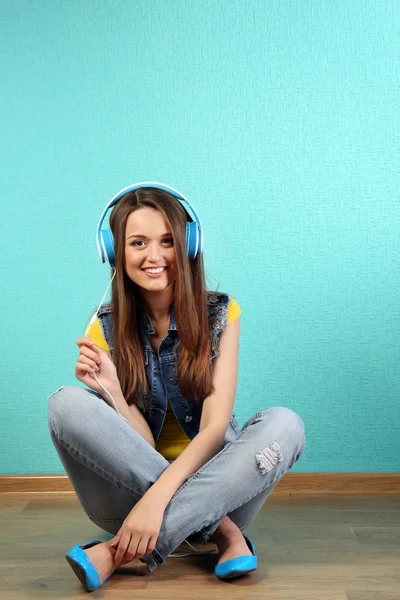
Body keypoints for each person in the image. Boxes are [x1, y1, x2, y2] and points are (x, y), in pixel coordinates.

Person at [47, 183, 306, 592]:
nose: (155, 256)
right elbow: (139, 446)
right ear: (114, 252)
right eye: (138, 243)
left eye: (167, 240)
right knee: (64, 404)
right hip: (129, 502)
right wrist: (112, 389)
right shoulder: (104, 328)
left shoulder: (221, 313)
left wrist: (157, 502)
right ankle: (223, 535)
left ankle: (118, 552)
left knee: (286, 424)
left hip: (219, 491)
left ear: (188, 245)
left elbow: (214, 430)